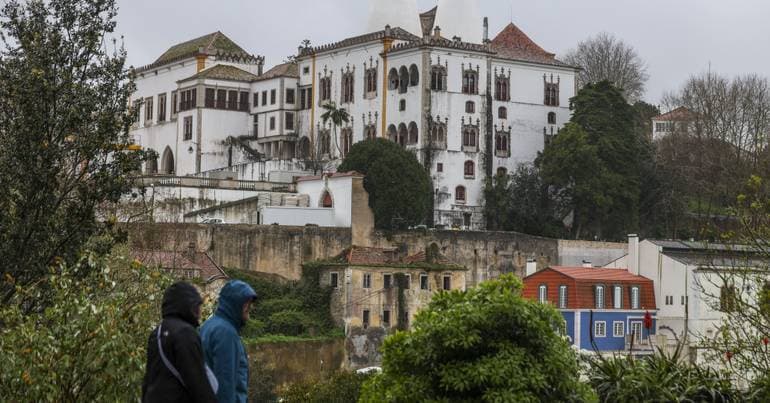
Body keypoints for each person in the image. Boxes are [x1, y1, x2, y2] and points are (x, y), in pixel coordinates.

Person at [142, 281, 217, 403]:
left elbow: (148, 380)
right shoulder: (185, 333)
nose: (200, 311)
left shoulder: (157, 332)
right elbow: (197, 382)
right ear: (190, 307)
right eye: (198, 305)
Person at [200, 280, 257, 403]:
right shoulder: (225, 333)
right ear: (234, 304)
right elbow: (225, 385)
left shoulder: (208, 326)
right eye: (246, 303)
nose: (249, 307)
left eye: (250, 303)